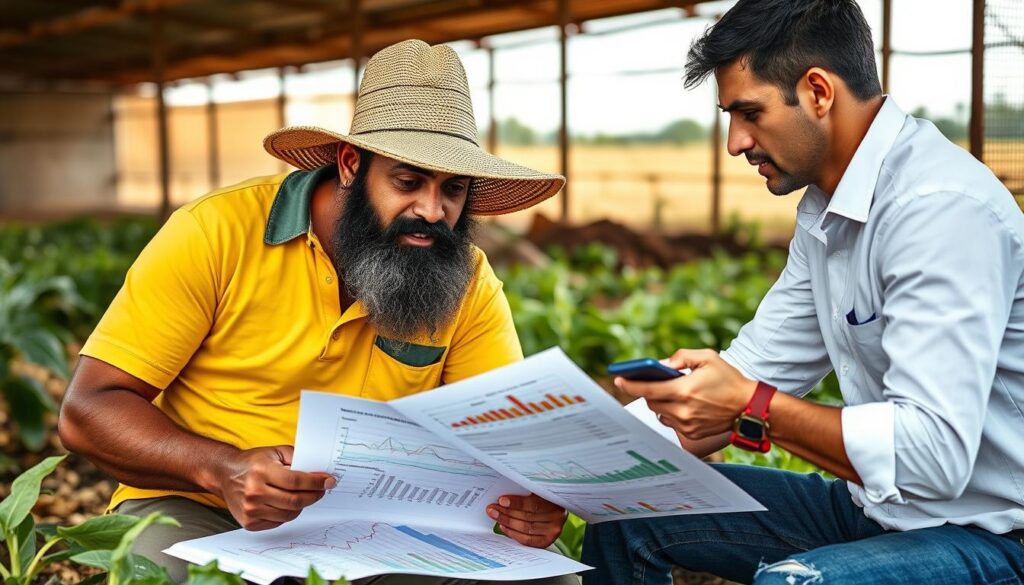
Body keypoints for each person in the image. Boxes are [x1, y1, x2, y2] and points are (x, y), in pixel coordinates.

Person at [59, 39, 575, 584]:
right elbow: (89, 409)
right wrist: (223, 470)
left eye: (453, 190)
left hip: (387, 531)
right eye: (407, 182)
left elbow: (503, 445)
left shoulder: (467, 279)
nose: (431, 210)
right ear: (351, 164)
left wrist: (531, 504)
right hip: (205, 510)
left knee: (547, 578)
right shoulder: (215, 233)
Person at [581, 1, 1024, 583]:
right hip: (879, 511)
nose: (736, 142)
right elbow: (758, 363)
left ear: (818, 91)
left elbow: (933, 456)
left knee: (793, 582)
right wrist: (576, 477)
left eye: (749, 113)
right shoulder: (825, 211)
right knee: (628, 513)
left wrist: (751, 406)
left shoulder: (938, 209)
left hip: (992, 533)